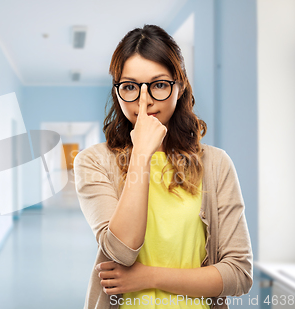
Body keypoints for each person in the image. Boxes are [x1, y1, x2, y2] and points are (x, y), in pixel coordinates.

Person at [73, 24, 253, 309]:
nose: (144, 102)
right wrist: (142, 154)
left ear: (179, 87)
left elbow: (239, 274)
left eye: (158, 85)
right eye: (130, 87)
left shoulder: (216, 164)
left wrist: (148, 277)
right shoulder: (94, 161)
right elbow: (121, 250)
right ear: (117, 92)